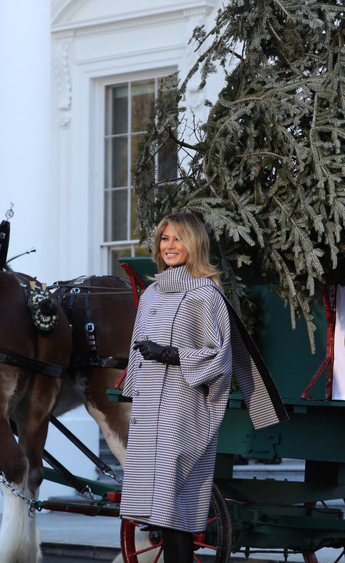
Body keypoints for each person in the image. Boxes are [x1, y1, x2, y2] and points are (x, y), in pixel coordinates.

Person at [119, 212, 288, 563]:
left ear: (194, 244)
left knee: (173, 503)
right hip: (149, 411)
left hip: (183, 409)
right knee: (157, 509)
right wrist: (132, 386)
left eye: (178, 239)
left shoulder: (205, 294)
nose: (169, 246)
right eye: (165, 239)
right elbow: (137, 349)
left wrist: (170, 354)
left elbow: (219, 357)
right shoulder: (151, 293)